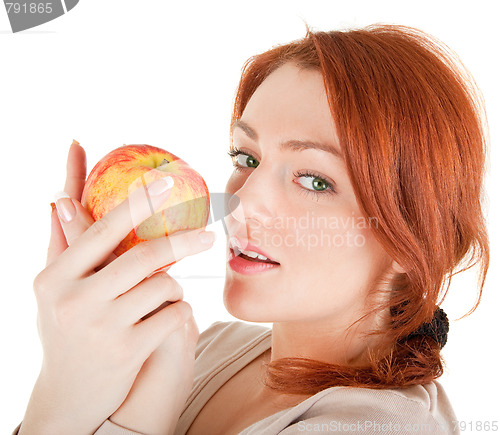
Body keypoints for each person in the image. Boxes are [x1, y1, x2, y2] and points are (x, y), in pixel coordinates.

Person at [13, 23, 489, 435]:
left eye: (316, 180)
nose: (240, 202)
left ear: (413, 237)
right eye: (247, 158)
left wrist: (65, 407)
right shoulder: (213, 345)